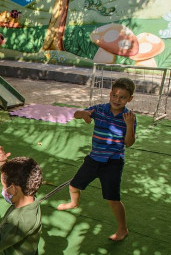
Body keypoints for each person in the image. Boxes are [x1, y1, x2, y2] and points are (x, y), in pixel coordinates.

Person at [57, 78, 136, 241]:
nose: (117, 100)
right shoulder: (99, 109)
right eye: (114, 95)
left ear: (130, 99)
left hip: (113, 162)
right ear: (110, 93)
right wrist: (83, 114)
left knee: (113, 199)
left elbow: (128, 143)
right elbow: (76, 114)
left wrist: (129, 125)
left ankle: (123, 229)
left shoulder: (129, 117)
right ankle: (73, 203)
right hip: (94, 159)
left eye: (122, 97)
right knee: (73, 186)